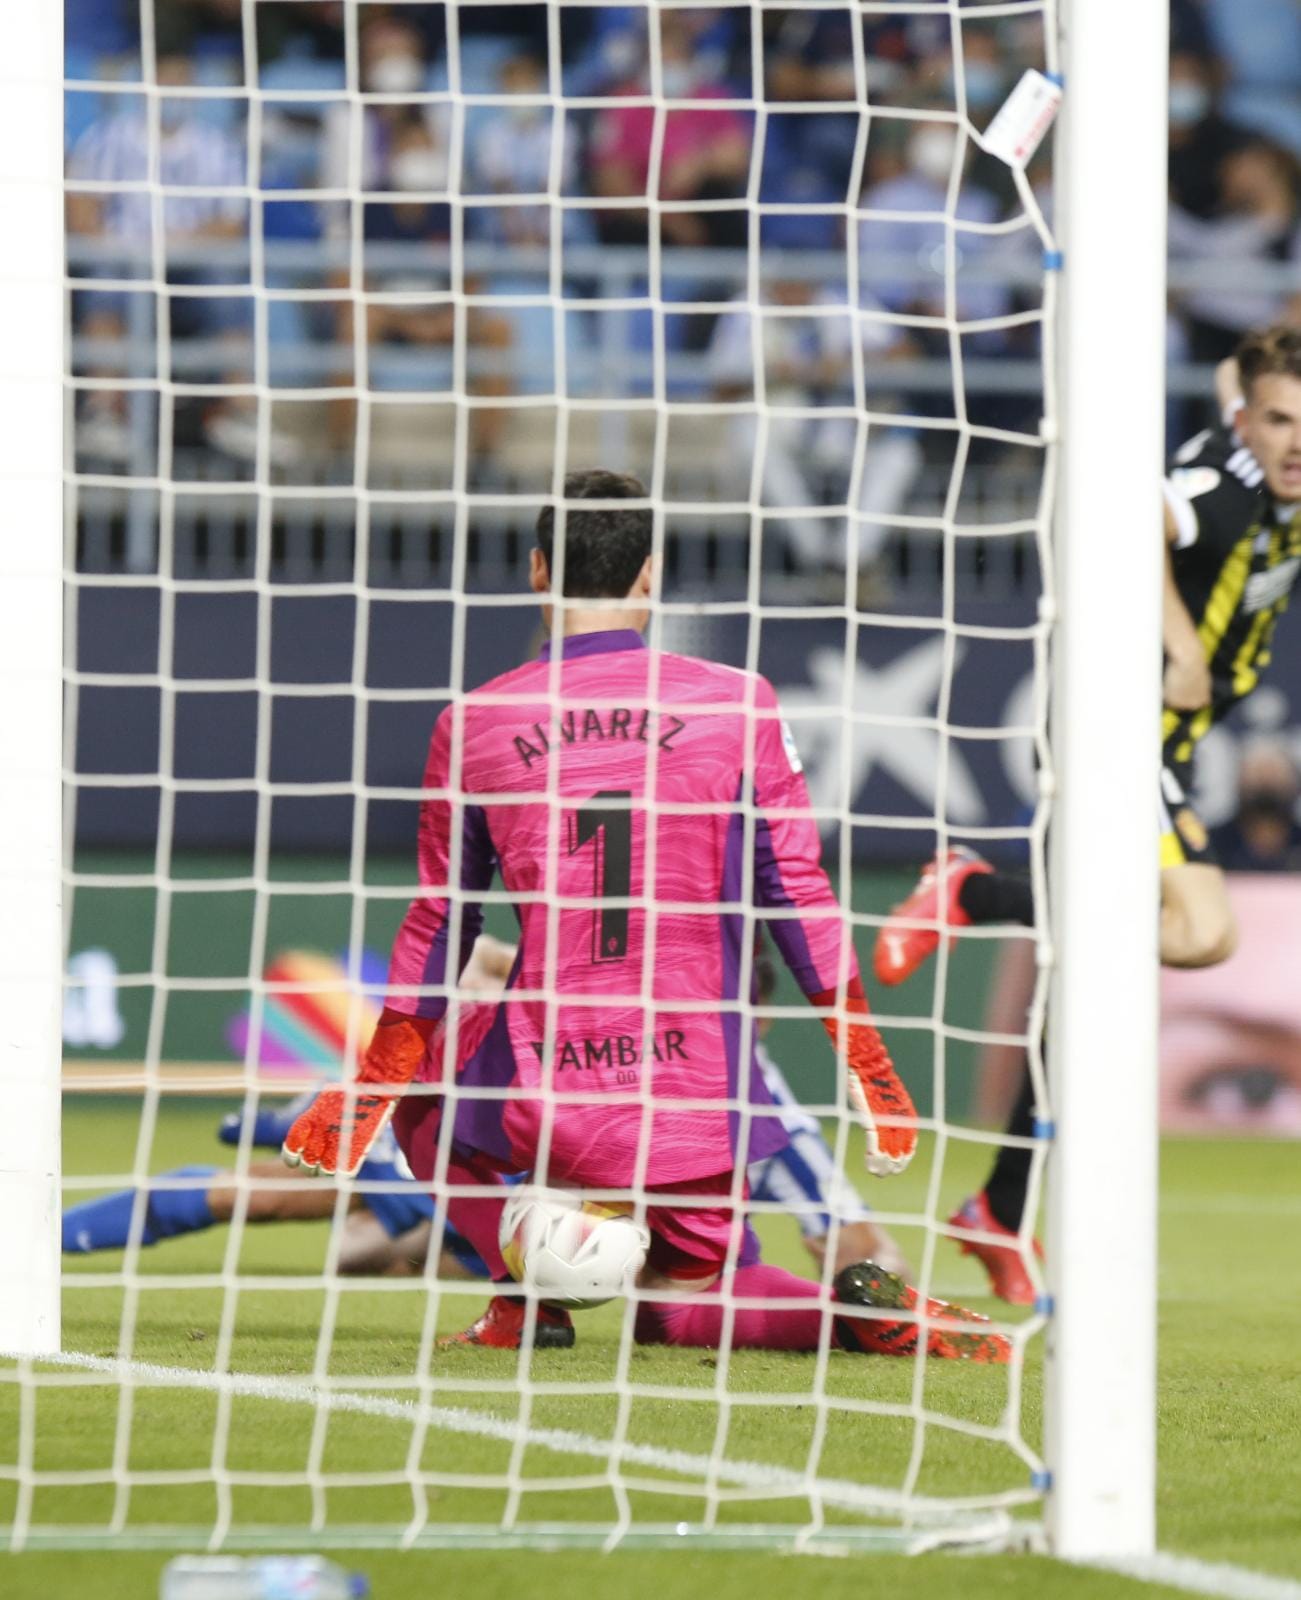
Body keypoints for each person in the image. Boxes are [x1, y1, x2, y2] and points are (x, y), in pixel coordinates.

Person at [281, 469, 1008, 1363]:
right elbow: (796, 890)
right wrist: (860, 1050)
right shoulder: (737, 703)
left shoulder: (475, 720)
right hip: (699, 1097)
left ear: (539, 572)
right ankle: (846, 1318)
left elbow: (444, 919)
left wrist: (379, 1071)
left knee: (425, 1094)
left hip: (544, 1095)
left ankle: (523, 1296)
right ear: (651, 577)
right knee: (681, 1304)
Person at [869, 322, 1301, 1298]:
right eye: (1274, 422)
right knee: (1198, 931)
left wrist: (1259, 367)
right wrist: (1180, 641)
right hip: (1124, 729)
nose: (1291, 442)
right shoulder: (1221, 488)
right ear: (1240, 422)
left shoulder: (1271, 457)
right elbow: (1129, 515)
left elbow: (1244, 367)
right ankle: (976, 892)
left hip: (1167, 748)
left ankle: (999, 1208)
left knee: (1081, 986)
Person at [1209, 739, 1301, 871]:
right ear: (1239, 783)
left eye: (1274, 775)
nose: (1265, 784)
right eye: (1257, 775)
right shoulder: (1213, 844)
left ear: (1294, 784)